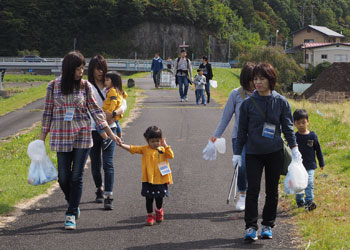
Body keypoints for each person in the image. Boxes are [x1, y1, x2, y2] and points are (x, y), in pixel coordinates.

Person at [40, 51, 121, 230]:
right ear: (69, 69)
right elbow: (47, 113)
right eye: (78, 68)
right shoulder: (53, 86)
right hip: (61, 137)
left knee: (76, 176)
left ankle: (70, 214)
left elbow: (96, 112)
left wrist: (110, 133)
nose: (81, 72)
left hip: (82, 137)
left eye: (83, 68)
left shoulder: (85, 86)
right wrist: (41, 139)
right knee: (63, 177)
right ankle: (73, 203)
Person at [233, 63, 302, 241]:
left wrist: (294, 149)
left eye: (262, 79)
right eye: (255, 79)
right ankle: (250, 227)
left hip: (274, 152)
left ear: (270, 80)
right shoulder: (247, 104)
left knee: (272, 191)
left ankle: (267, 225)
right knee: (253, 189)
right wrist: (237, 153)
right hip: (253, 152)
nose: (258, 82)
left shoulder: (280, 101)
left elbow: (287, 127)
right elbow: (242, 130)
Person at [211, 62, 255, 211]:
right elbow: (225, 118)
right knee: (241, 165)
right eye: (251, 79)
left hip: (257, 139)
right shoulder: (235, 94)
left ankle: (252, 193)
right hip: (239, 138)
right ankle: (242, 194)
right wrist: (214, 139)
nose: (254, 83)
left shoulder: (262, 94)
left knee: (254, 167)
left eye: (256, 79)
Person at [88, 55, 126, 210]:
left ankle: (109, 195)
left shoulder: (112, 86)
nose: (100, 72)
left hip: (110, 128)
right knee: (95, 164)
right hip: (91, 129)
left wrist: (114, 114)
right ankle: (99, 188)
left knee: (108, 163)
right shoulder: (86, 86)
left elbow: (123, 104)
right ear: (91, 69)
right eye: (97, 69)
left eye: (102, 68)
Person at [119, 126, 174, 226]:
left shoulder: (163, 149)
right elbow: (133, 149)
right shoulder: (145, 149)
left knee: (159, 198)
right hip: (148, 179)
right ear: (147, 140)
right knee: (149, 198)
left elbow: (171, 156)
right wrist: (121, 145)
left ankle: (159, 210)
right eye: (152, 141)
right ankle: (150, 216)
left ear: (161, 140)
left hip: (161, 179)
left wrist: (165, 145)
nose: (155, 143)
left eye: (157, 141)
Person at [293, 109, 325, 211]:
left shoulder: (312, 136)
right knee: (299, 185)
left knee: (309, 183)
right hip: (298, 167)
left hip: (310, 165)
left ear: (308, 121)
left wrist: (321, 162)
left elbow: (318, 150)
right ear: (294, 124)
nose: (301, 125)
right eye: (298, 123)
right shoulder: (294, 137)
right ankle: (299, 201)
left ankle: (309, 201)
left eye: (303, 122)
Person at [95, 71, 125, 149]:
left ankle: (106, 138)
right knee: (117, 124)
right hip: (113, 113)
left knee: (98, 125)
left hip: (109, 112)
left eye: (107, 80)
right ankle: (120, 137)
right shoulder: (117, 90)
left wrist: (110, 112)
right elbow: (123, 97)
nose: (105, 82)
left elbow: (113, 101)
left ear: (113, 81)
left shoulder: (112, 91)